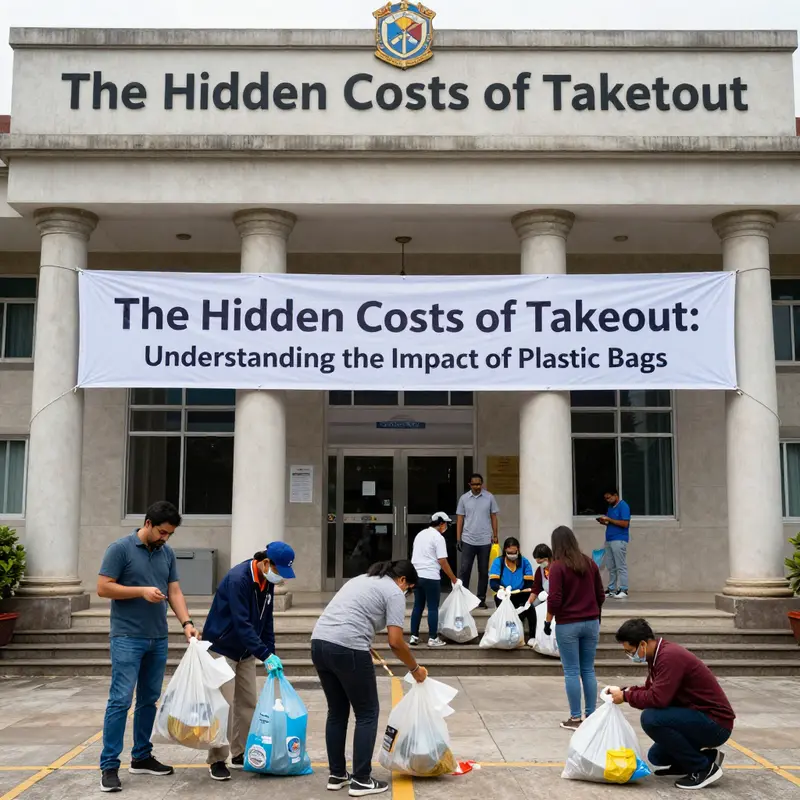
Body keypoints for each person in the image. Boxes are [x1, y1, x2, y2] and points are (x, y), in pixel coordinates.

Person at [97, 501, 199, 793]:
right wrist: (140, 591)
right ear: (148, 523)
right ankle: (109, 765)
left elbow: (174, 590)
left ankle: (141, 756)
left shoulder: (166, 553)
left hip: (158, 637)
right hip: (127, 637)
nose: (166, 538)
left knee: (149, 699)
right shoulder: (120, 549)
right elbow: (103, 587)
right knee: (120, 700)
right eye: (162, 532)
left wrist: (187, 623)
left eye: (170, 534)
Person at [311, 560, 428, 797]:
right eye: (409, 588)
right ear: (403, 580)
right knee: (367, 713)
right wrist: (415, 668)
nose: (407, 594)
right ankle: (362, 779)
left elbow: (350, 614)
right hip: (348, 647)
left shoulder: (361, 579)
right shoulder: (394, 592)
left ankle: (337, 774)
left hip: (319, 644)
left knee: (337, 712)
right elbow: (395, 641)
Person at [201, 542, 297, 781]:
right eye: (278, 571)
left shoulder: (266, 582)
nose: (279, 578)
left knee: (248, 702)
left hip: (245, 650)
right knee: (223, 706)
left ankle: (240, 752)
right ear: (266, 563)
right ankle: (217, 759)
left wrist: (271, 653)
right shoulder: (239, 579)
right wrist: (264, 654)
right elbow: (241, 623)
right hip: (222, 648)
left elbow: (267, 621)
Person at [609, 618, 735, 791]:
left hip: (716, 723)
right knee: (657, 756)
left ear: (643, 644)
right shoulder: (657, 656)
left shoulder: (669, 657)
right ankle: (707, 758)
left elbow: (657, 698)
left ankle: (702, 768)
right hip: (698, 716)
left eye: (630, 651)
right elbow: (652, 689)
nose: (630, 656)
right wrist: (625, 691)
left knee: (650, 718)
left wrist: (625, 696)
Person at [544, 525, 605, 731]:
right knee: (588, 669)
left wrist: (548, 620)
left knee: (571, 671)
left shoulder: (557, 567)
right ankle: (591, 715)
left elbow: (554, 599)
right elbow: (600, 594)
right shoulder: (589, 563)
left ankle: (576, 717)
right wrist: (596, 615)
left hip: (568, 624)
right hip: (591, 622)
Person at [410, 512, 459, 648]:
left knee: (418, 606)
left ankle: (414, 636)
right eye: (446, 524)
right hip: (431, 576)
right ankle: (433, 637)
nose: (447, 527)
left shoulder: (420, 535)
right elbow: (442, 561)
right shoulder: (438, 538)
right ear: (441, 523)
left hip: (416, 575)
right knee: (432, 607)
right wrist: (453, 578)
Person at [456, 473, 499, 609]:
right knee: (465, 570)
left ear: (482, 484)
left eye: (479, 484)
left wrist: (495, 535)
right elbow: (460, 519)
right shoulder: (464, 499)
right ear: (470, 485)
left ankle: (481, 599)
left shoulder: (489, 497)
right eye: (474, 484)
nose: (477, 487)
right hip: (468, 539)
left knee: (483, 571)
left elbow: (493, 517)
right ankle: (463, 599)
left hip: (485, 540)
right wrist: (458, 538)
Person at [489, 536, 535, 640]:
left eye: (514, 552)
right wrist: (502, 590)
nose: (512, 555)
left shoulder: (525, 562)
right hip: (504, 595)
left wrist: (521, 590)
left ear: (518, 550)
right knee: (503, 607)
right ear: (505, 551)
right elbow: (493, 583)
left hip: (520, 594)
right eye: (509, 552)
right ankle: (505, 635)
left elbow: (529, 583)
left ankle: (532, 636)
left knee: (530, 608)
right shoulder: (498, 562)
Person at [597, 488, 631, 599]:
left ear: (615, 495)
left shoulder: (623, 506)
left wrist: (610, 520)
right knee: (611, 566)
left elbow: (625, 523)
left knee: (620, 565)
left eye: (609, 498)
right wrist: (604, 521)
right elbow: (611, 522)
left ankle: (624, 589)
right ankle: (612, 589)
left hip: (619, 539)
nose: (608, 500)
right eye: (606, 498)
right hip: (609, 539)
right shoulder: (610, 508)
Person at [527, 543, 553, 628]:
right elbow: (536, 588)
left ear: (548, 558)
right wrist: (529, 602)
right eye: (538, 563)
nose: (541, 564)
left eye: (541, 562)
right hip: (546, 600)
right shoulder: (540, 571)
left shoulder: (558, 568)